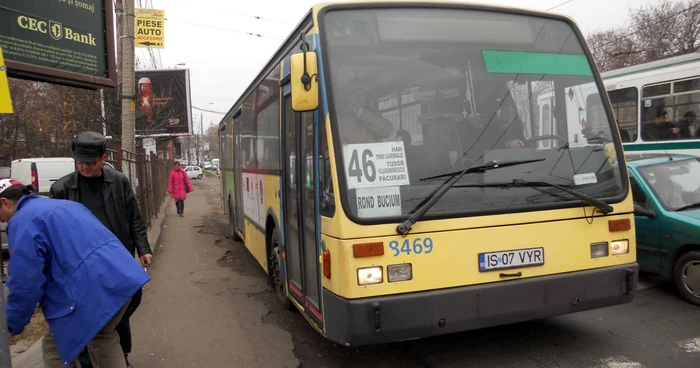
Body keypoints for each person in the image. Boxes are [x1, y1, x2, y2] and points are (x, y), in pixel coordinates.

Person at [2, 179, 150, 368]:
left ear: (6, 202)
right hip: (122, 276)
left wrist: (12, 325)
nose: (1, 220)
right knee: (102, 337)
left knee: (56, 346)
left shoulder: (22, 221)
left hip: (92, 289)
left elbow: (25, 281)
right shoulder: (63, 205)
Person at [50, 131, 153, 368]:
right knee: (87, 316)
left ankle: (121, 356)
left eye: (90, 162)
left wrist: (143, 248)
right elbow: (55, 231)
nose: (84, 167)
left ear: (103, 158)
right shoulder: (62, 189)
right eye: (80, 162)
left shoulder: (118, 181)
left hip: (115, 262)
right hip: (80, 267)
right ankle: (88, 360)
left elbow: (133, 218)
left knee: (119, 316)